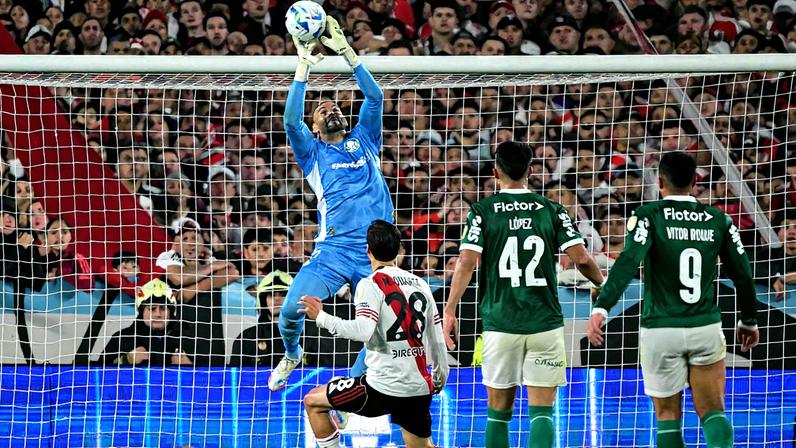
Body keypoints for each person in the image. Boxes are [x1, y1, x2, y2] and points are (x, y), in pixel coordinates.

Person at [587, 151, 760, 448]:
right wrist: (749, 320)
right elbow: (743, 275)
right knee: (713, 411)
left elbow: (628, 262)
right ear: (695, 182)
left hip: (660, 329)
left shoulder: (648, 215)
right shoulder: (718, 220)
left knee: (667, 415)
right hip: (703, 326)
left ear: (659, 181)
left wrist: (602, 306)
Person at [443, 141, 605, 448]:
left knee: (498, 413)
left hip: (501, 324)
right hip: (544, 323)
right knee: (542, 412)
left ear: (495, 172)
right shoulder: (551, 209)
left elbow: (465, 262)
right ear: (530, 172)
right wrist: (602, 283)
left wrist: (450, 310)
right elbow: (582, 258)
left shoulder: (482, 211)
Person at [269, 17, 393, 391]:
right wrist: (303, 66)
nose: (331, 110)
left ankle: (351, 390)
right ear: (316, 128)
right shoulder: (313, 153)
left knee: (380, 333)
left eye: (334, 106)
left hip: (376, 254)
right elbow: (291, 122)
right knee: (290, 311)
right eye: (322, 111)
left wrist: (348, 54)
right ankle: (293, 353)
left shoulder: (365, 139)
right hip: (333, 250)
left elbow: (375, 98)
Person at [300, 220, 448, 448]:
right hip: (417, 387)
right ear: (399, 250)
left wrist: (321, 317)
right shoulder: (421, 284)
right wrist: (439, 377)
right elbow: (437, 337)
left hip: (380, 389)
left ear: (367, 250)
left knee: (312, 402)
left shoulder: (370, 284)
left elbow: (363, 330)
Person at [102, 278, 192, 367]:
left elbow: (203, 378)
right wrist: (127, 359)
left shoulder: (187, 339)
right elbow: (97, 375)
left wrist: (189, 367)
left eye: (163, 308)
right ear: (141, 313)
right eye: (152, 308)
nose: (158, 314)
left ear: (171, 313)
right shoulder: (121, 338)